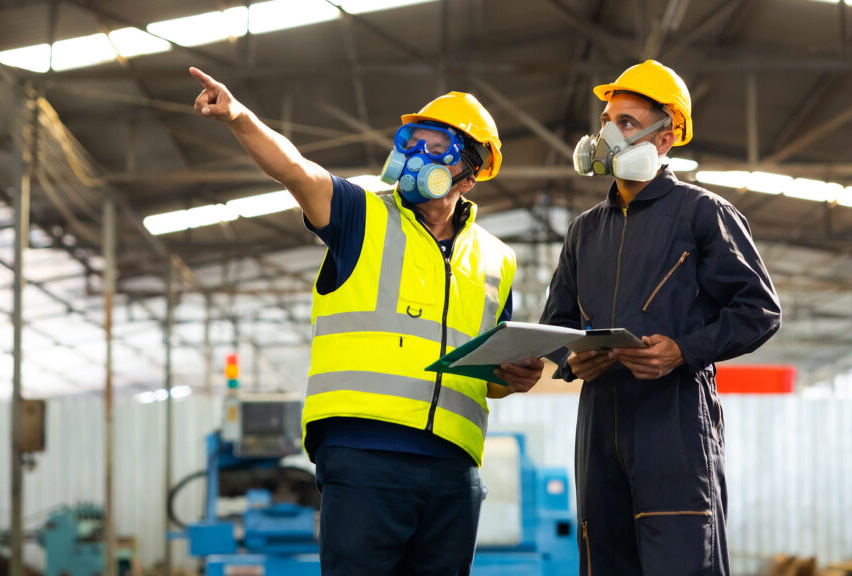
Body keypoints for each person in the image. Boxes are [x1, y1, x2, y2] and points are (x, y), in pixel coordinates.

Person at [189, 66, 544, 575]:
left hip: (454, 467)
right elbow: (294, 169)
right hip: (364, 457)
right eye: (411, 141)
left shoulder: (497, 259)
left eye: (434, 145)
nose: (415, 155)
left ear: (471, 171)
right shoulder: (362, 213)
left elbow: (490, 375)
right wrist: (238, 116)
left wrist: (514, 378)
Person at [539, 60, 782, 575]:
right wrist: (572, 361)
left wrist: (682, 350)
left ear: (666, 138)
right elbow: (556, 325)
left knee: (680, 555)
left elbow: (759, 310)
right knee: (604, 555)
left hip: (673, 419)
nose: (607, 135)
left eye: (626, 123)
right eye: (606, 120)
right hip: (599, 421)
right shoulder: (584, 231)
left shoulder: (703, 213)